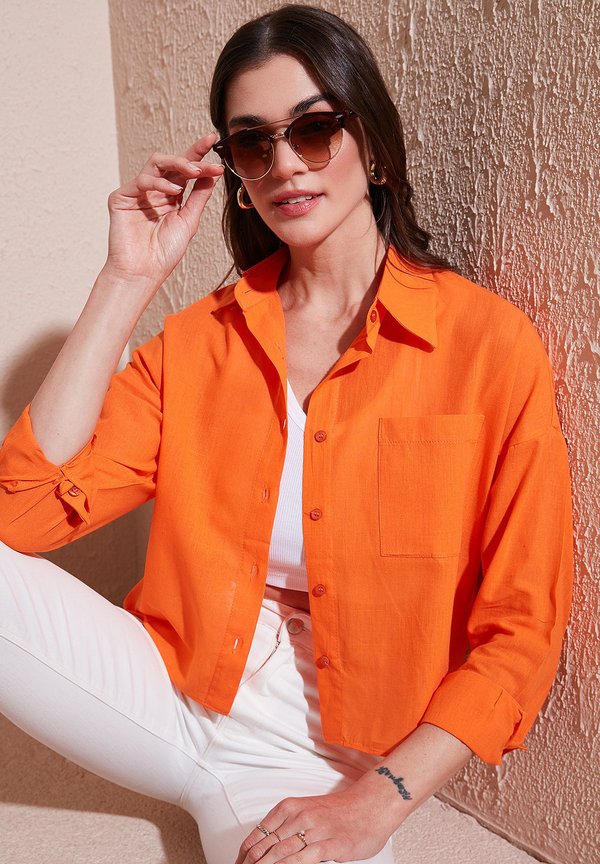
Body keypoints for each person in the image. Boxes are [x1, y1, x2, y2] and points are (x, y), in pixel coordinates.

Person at [0, 5, 573, 864]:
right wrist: (127, 277)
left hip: (327, 756)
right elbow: (22, 516)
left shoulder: (486, 347)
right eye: (253, 142)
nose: (285, 166)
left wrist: (377, 803)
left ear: (373, 147)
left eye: (313, 130)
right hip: (169, 691)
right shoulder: (200, 342)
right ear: (233, 170)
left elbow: (523, 629)